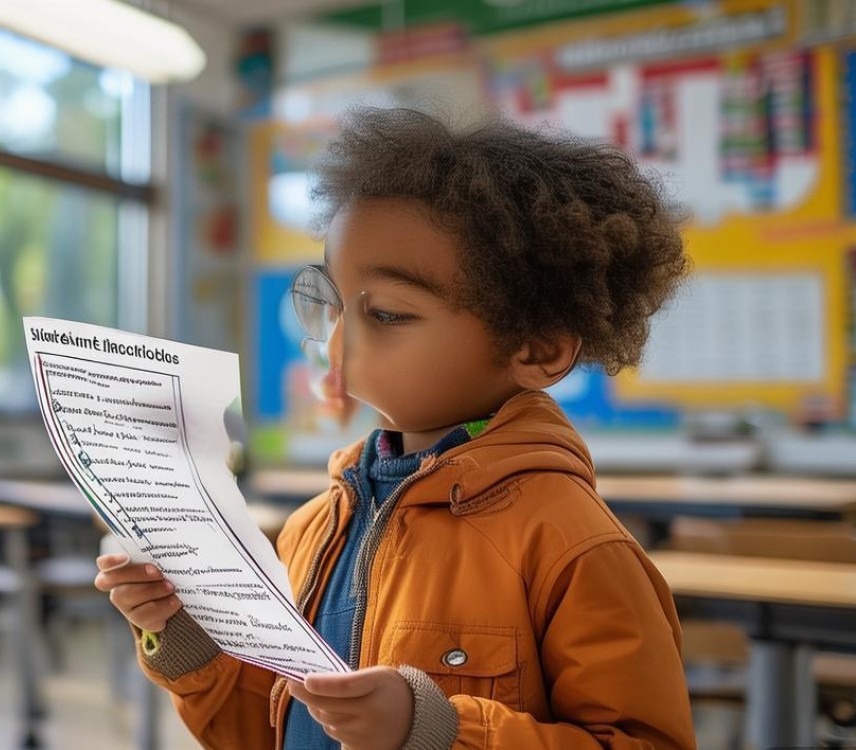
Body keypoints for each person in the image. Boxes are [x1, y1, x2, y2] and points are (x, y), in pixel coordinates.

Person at [95, 108, 696, 750]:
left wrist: (434, 730)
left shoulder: (571, 545)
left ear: (539, 347)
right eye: (332, 299)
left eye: (386, 312)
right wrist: (185, 634)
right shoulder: (313, 528)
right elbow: (263, 728)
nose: (339, 334)